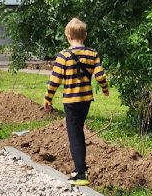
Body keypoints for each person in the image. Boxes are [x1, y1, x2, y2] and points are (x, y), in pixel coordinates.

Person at [43, 17, 110, 187]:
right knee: (78, 131)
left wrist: (48, 99)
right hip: (86, 100)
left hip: (71, 101)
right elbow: (100, 75)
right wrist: (105, 89)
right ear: (85, 35)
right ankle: (78, 168)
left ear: (67, 36)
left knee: (75, 135)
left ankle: (81, 173)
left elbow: (55, 81)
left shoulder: (63, 56)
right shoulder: (92, 53)